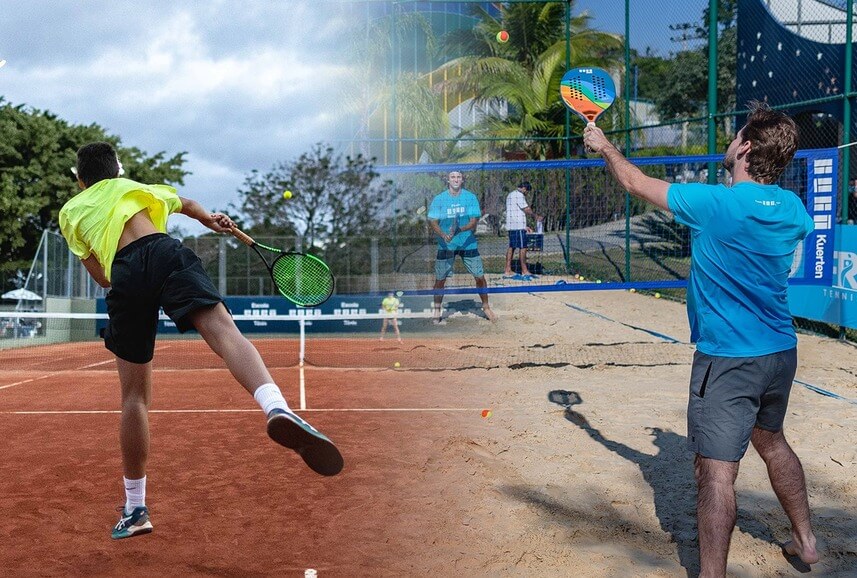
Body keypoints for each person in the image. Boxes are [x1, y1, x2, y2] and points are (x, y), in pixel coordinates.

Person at [59, 142, 343, 540]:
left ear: (80, 179)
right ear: (118, 170)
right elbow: (189, 204)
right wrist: (211, 220)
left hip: (123, 272)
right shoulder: (140, 188)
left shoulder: (70, 212)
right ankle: (277, 407)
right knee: (225, 331)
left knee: (134, 397)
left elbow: (102, 278)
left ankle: (135, 507)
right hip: (163, 251)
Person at [584, 102, 818, 575]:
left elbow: (632, 182)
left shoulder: (715, 203)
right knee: (772, 442)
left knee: (715, 474)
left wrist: (603, 144)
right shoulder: (794, 208)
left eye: (735, 138)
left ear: (746, 148)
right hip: (780, 352)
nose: (729, 144)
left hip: (728, 359)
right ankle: (806, 541)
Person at [427, 171, 496, 323]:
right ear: (447, 179)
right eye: (453, 177)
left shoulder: (470, 197)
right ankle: (437, 309)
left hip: (467, 243)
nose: (456, 179)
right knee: (440, 279)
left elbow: (473, 222)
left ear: (462, 179)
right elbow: (433, 221)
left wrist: (460, 229)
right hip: (446, 245)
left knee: (479, 277)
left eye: (458, 177)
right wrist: (443, 235)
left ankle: (486, 306)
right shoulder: (439, 199)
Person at [503, 181, 542, 277]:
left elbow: (515, 212)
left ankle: (507, 269)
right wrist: (536, 216)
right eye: (527, 191)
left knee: (512, 246)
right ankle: (524, 271)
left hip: (512, 225)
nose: (527, 193)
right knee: (523, 247)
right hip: (518, 227)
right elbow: (526, 209)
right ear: (524, 188)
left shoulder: (510, 194)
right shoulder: (519, 195)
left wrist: (525, 226)